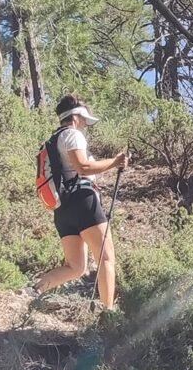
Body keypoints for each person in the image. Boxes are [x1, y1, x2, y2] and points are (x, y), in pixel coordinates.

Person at [33, 94, 129, 308]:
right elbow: (83, 167)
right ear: (76, 117)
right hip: (83, 201)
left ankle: (33, 291)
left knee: (75, 267)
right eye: (84, 120)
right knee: (106, 258)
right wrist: (114, 162)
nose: (86, 125)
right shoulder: (72, 135)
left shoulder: (53, 139)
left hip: (62, 209)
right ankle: (108, 312)